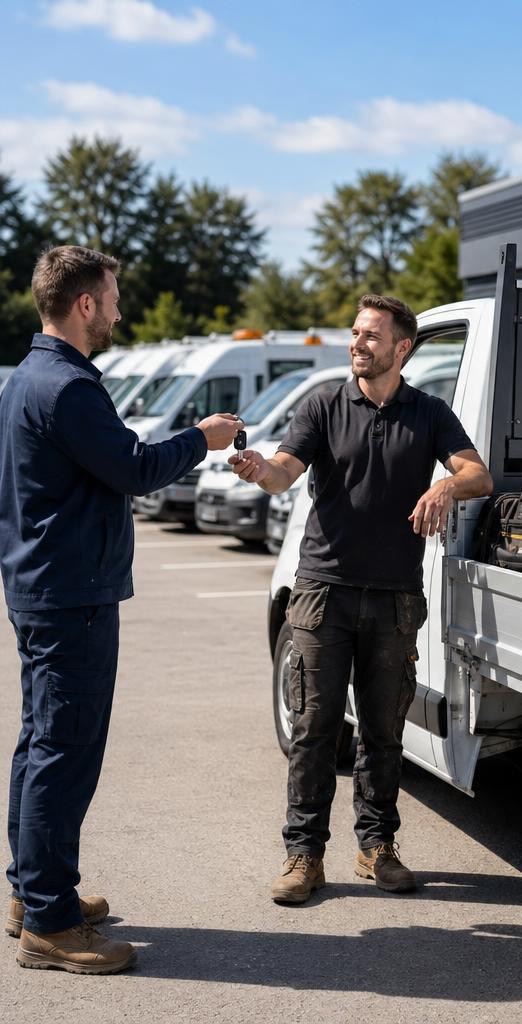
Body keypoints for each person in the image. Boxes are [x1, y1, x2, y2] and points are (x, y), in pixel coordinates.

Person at [0, 246, 242, 974]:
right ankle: (49, 922)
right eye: (110, 298)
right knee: (63, 752)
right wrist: (202, 439)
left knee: (40, 742)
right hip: (69, 593)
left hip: (43, 585)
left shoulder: (24, 379)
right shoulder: (68, 388)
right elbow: (135, 468)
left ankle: (32, 893)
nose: (117, 311)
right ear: (83, 305)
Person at [231, 294, 491, 902]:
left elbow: (479, 474)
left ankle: (377, 849)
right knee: (315, 728)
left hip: (394, 599)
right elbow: (283, 470)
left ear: (402, 348)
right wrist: (256, 469)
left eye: (371, 335)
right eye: (355, 333)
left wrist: (446, 487)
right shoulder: (324, 404)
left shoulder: (427, 413)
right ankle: (303, 857)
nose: (358, 343)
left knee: (383, 733)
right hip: (324, 594)